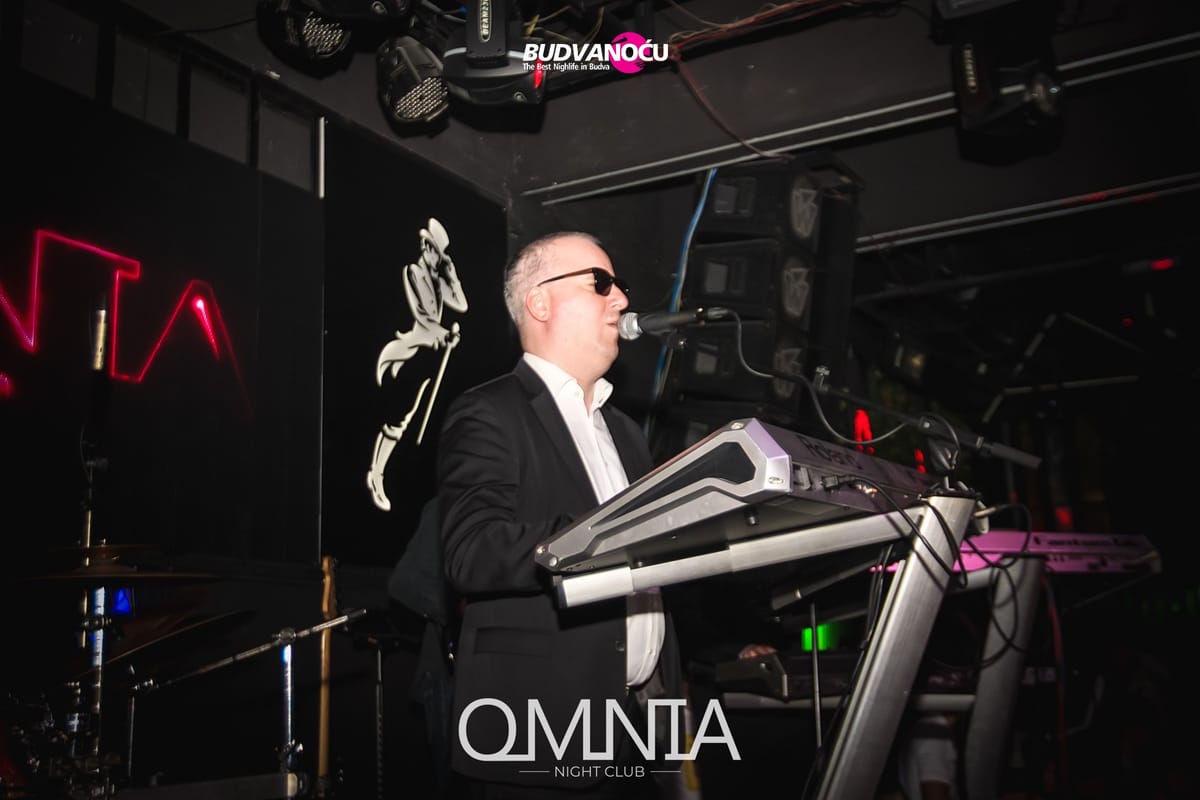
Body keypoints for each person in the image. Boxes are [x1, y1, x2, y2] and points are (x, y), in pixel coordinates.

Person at [436, 232, 684, 799]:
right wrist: (606, 535)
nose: (621, 299)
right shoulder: (488, 412)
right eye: (601, 283)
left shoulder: (625, 431)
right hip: (543, 727)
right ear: (540, 302)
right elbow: (471, 551)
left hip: (639, 727)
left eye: (620, 286)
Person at [368, 217, 469, 511]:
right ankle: (377, 473)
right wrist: (444, 333)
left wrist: (452, 275)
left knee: (423, 420)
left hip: (432, 356)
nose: (430, 252)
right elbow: (423, 317)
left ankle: (408, 479)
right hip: (412, 353)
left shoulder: (438, 280)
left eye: (435, 250)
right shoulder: (414, 272)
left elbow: (461, 304)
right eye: (429, 247)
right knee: (398, 418)